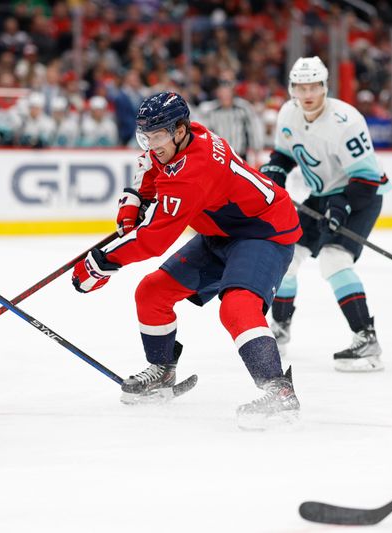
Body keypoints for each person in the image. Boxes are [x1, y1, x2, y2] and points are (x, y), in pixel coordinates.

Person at [71, 92, 303, 430]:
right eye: (145, 135)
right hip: (221, 233)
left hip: (263, 233)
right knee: (151, 292)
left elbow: (154, 239)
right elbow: (149, 165)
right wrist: (135, 200)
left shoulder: (194, 169)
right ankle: (163, 371)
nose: (151, 144)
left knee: (237, 307)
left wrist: (100, 263)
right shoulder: (183, 138)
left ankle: (279, 391)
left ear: (179, 130)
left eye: (158, 135)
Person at [259, 57, 390, 372]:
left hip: (360, 196)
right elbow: (285, 154)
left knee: (333, 259)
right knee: (287, 256)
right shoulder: (288, 113)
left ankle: (366, 337)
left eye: (314, 86)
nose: (308, 93)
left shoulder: (346, 120)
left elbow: (367, 178)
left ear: (324, 87)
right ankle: (279, 329)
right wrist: (274, 174)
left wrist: (343, 204)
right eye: (301, 87)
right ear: (292, 88)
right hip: (321, 196)